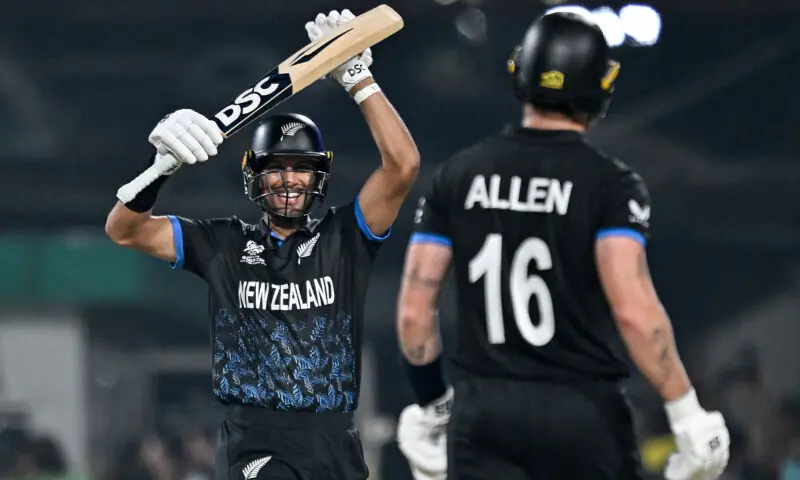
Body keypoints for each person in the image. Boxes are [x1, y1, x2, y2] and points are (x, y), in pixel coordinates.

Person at [394, 10, 730, 480]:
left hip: (484, 414)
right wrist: (686, 412)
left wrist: (431, 402)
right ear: (602, 85)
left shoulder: (457, 176)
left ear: (521, 73)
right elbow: (633, 310)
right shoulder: (610, 185)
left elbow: (414, 312)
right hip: (584, 415)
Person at [105, 9, 419, 480]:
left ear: (318, 177)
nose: (289, 180)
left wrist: (358, 78)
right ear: (256, 176)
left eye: (301, 168)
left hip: (337, 444)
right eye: (277, 168)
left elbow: (402, 166)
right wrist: (159, 171)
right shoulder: (222, 244)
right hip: (258, 444)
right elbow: (124, 229)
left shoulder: (345, 238)